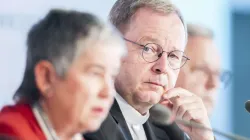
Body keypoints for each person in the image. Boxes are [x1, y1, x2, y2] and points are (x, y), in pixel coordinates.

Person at [84, 0, 215, 140]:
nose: (163, 67)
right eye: (149, 49)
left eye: (173, 56)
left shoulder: (170, 129)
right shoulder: (85, 118)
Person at [0, 9, 126, 140]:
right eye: (95, 73)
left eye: (112, 76)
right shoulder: (8, 134)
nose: (108, 93)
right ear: (46, 78)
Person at [175, 23, 228, 116]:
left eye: (217, 74)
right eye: (203, 71)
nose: (214, 84)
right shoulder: (144, 128)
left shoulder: (205, 130)